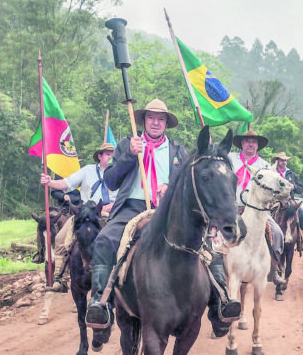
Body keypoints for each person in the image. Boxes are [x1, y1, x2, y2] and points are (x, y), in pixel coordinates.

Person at [84, 99, 241, 335]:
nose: (155, 122)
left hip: (169, 209)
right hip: (131, 207)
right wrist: (129, 155)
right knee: (105, 240)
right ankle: (100, 303)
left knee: (208, 245)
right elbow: (111, 180)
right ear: (144, 120)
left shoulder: (178, 150)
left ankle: (220, 302)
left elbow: (189, 183)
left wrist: (170, 186)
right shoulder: (128, 143)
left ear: (166, 123)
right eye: (151, 118)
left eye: (161, 119)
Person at [40, 142, 117, 291]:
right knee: (61, 238)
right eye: (107, 154)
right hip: (85, 213)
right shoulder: (87, 170)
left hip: (110, 212)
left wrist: (113, 204)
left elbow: (126, 194)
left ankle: (120, 275)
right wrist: (50, 182)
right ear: (100, 156)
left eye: (113, 154)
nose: (111, 157)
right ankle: (59, 278)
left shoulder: (119, 172)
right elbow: (67, 183)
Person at [228, 129, 285, 277]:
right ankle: (213, 265)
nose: (250, 144)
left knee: (277, 232)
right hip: (231, 207)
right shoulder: (230, 158)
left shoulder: (265, 165)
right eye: (247, 141)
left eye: (253, 141)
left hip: (257, 210)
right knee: (212, 231)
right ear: (242, 143)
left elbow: (274, 187)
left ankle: (274, 267)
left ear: (258, 145)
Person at [271, 152, 303, 251]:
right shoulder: (271, 173)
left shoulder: (292, 174)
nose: (283, 162)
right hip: (274, 200)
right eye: (281, 160)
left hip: (289, 200)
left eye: (285, 160)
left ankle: (302, 241)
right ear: (277, 161)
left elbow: (300, 189)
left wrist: (294, 187)